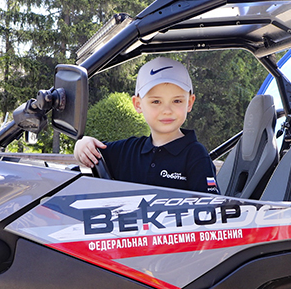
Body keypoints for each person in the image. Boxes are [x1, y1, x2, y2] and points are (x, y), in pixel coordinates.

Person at [74, 57, 219, 194]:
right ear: (138, 104)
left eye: (177, 101)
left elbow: (210, 206)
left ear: (190, 103)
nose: (167, 110)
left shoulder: (196, 156)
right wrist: (82, 144)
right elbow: (90, 151)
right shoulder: (128, 151)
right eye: (156, 101)